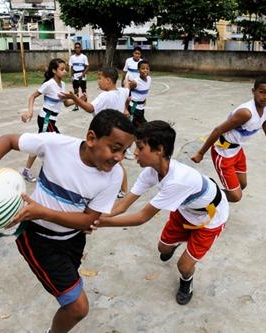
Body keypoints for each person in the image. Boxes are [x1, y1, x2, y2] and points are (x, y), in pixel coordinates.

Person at [0, 110, 136, 333]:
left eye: (125, 151)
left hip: (73, 240)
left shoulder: (114, 175)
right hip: (39, 240)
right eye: (115, 149)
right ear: (91, 138)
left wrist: (45, 212)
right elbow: (8, 140)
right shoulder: (56, 145)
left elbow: (87, 220)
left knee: (70, 292)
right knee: (78, 307)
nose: (119, 158)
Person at [98, 120, 229, 305]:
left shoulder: (177, 181)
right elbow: (123, 205)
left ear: (159, 150)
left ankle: (186, 282)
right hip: (185, 210)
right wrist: (98, 215)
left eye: (140, 148)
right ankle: (177, 243)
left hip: (210, 218)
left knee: (183, 266)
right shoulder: (151, 172)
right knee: (163, 249)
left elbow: (142, 217)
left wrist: (100, 223)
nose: (134, 153)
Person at [191, 75, 266, 203]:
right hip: (223, 153)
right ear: (253, 91)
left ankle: (212, 196)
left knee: (242, 185)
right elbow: (218, 130)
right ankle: (202, 194)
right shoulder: (246, 113)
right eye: (262, 92)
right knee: (235, 196)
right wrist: (200, 153)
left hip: (237, 151)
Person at [61, 67, 130, 197]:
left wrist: (74, 98)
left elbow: (90, 107)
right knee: (115, 162)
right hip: (116, 134)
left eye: (100, 78)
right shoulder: (121, 92)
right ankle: (122, 189)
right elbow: (127, 89)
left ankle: (117, 189)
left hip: (104, 134)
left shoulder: (105, 95)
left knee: (97, 158)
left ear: (108, 80)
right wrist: (127, 81)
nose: (98, 81)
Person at [20, 58, 74, 182]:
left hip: (51, 120)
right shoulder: (49, 84)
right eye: (62, 69)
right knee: (55, 144)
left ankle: (27, 171)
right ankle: (52, 174)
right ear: (54, 70)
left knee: (39, 145)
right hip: (46, 119)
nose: (65, 71)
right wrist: (30, 111)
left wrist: (78, 99)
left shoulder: (63, 85)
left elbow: (66, 103)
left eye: (65, 69)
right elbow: (32, 96)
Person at [69, 42, 89, 112]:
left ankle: (86, 105)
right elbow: (71, 67)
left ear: (81, 48)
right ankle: (76, 105)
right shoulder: (72, 57)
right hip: (75, 76)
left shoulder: (84, 57)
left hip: (82, 76)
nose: (77, 49)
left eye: (78, 47)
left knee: (83, 90)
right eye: (76, 47)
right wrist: (71, 76)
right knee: (75, 91)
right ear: (74, 49)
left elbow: (87, 67)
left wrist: (82, 74)